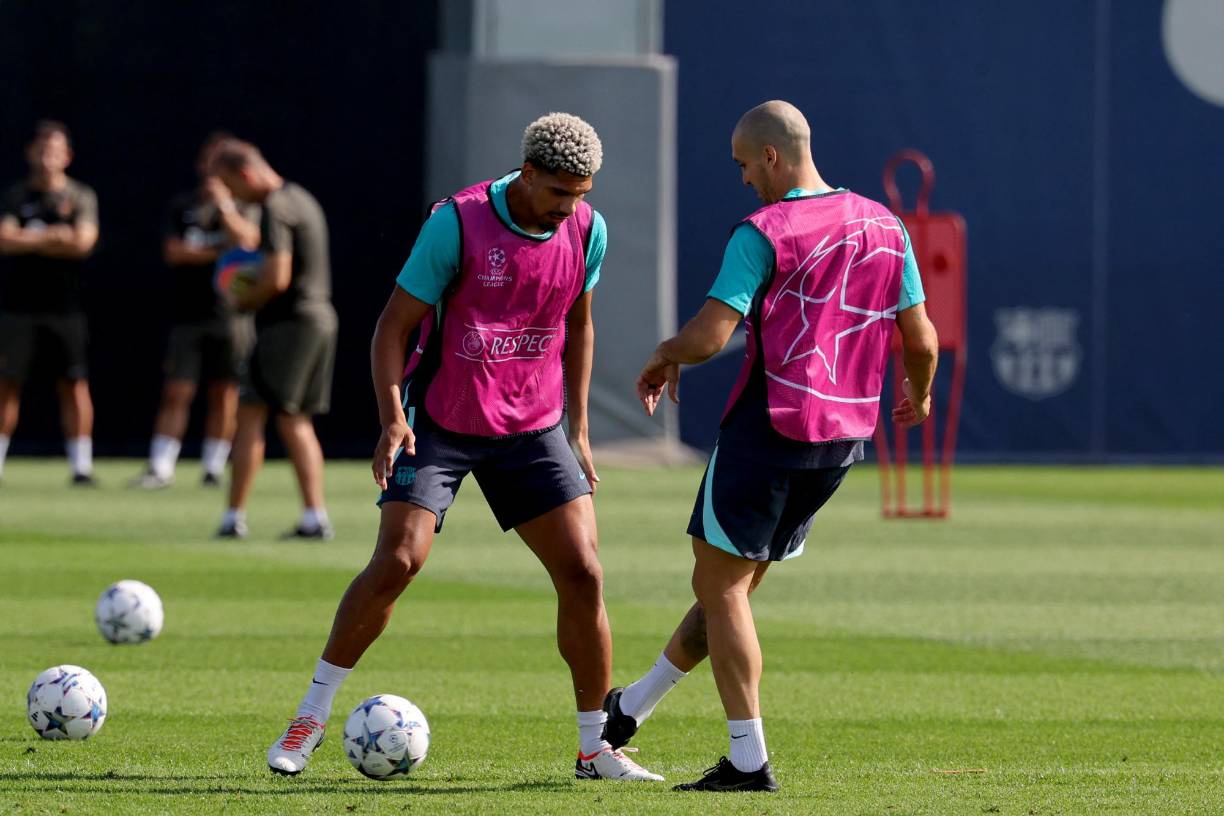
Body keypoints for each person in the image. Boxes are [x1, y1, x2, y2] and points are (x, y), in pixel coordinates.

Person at [264, 113, 661, 783]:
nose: (572, 207)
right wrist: (393, 418)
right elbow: (390, 330)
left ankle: (595, 749)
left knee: (585, 574)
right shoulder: (458, 221)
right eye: (561, 192)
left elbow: (579, 326)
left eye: (583, 193)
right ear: (528, 173)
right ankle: (309, 717)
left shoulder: (588, 230)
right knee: (397, 560)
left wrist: (581, 430)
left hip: (533, 426)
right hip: (443, 421)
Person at [609, 100, 940, 792]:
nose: (741, 180)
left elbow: (708, 336)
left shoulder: (765, 230)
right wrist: (920, 391)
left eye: (742, 165)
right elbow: (923, 339)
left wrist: (663, 355)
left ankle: (747, 762)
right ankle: (632, 705)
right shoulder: (886, 224)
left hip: (771, 426)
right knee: (730, 589)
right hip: (843, 438)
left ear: (770, 157)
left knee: (722, 587)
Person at [208, 139, 337, 539]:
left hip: (289, 325)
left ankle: (234, 517)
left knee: (250, 412)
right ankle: (314, 516)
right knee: (296, 419)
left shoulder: (274, 207)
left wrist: (240, 298)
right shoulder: (302, 198)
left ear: (245, 174)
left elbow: (276, 277)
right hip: (319, 318)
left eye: (233, 188)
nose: (235, 197)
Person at [131, 132, 260, 489]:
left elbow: (248, 242)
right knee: (177, 390)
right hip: (189, 315)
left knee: (225, 393)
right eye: (209, 160)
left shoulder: (242, 205)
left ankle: (213, 466)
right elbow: (174, 252)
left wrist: (225, 208)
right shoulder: (182, 206)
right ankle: (161, 466)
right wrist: (218, 250)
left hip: (232, 317)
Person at [0, 121, 100, 485]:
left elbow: (83, 242)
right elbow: (5, 240)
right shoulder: (15, 195)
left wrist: (33, 237)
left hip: (65, 307)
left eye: (55, 152)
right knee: (7, 383)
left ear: (67, 157)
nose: (47, 158)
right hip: (19, 306)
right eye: (42, 150)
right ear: (30, 153)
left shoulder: (80, 196)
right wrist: (52, 236)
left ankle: (81, 466)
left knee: (73, 384)